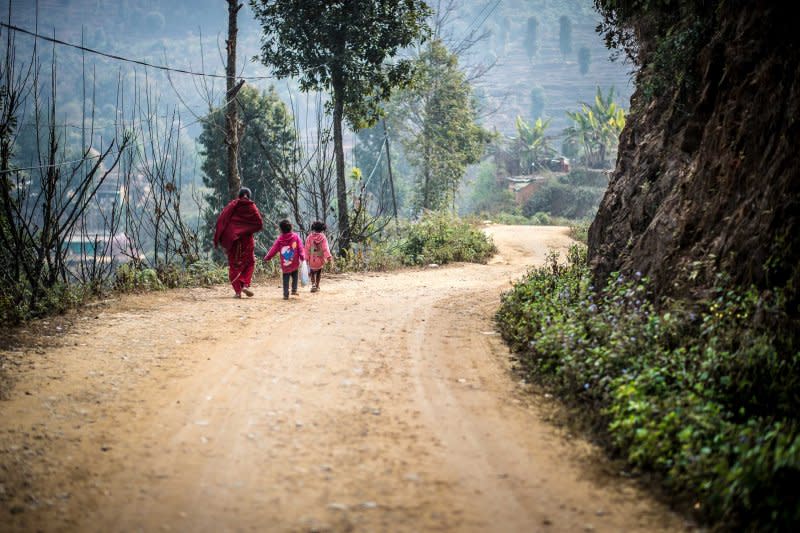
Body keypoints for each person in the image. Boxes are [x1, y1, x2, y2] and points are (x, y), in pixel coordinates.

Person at [214, 187, 263, 298]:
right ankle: (245, 284)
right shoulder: (252, 206)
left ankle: (238, 291)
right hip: (247, 240)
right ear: (249, 196)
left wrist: (223, 236)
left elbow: (222, 221)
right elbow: (259, 223)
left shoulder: (233, 205)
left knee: (234, 266)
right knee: (250, 262)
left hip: (234, 240)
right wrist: (247, 228)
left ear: (239, 195)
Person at [264, 219, 305, 300]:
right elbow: (300, 248)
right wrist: (302, 256)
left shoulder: (280, 239)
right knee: (295, 275)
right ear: (291, 227)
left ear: (281, 229)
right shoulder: (296, 237)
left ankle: (285, 294)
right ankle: (294, 290)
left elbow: (273, 249)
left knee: (286, 278)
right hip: (294, 262)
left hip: (285, 263)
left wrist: (267, 257)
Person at [304, 220, 334, 293]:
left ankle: (313, 284)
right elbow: (325, 248)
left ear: (313, 228)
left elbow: (307, 249)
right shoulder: (323, 237)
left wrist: (306, 259)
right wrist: (329, 257)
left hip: (312, 259)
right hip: (320, 260)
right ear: (322, 229)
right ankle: (317, 285)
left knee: (312, 272)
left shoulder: (309, 237)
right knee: (319, 272)